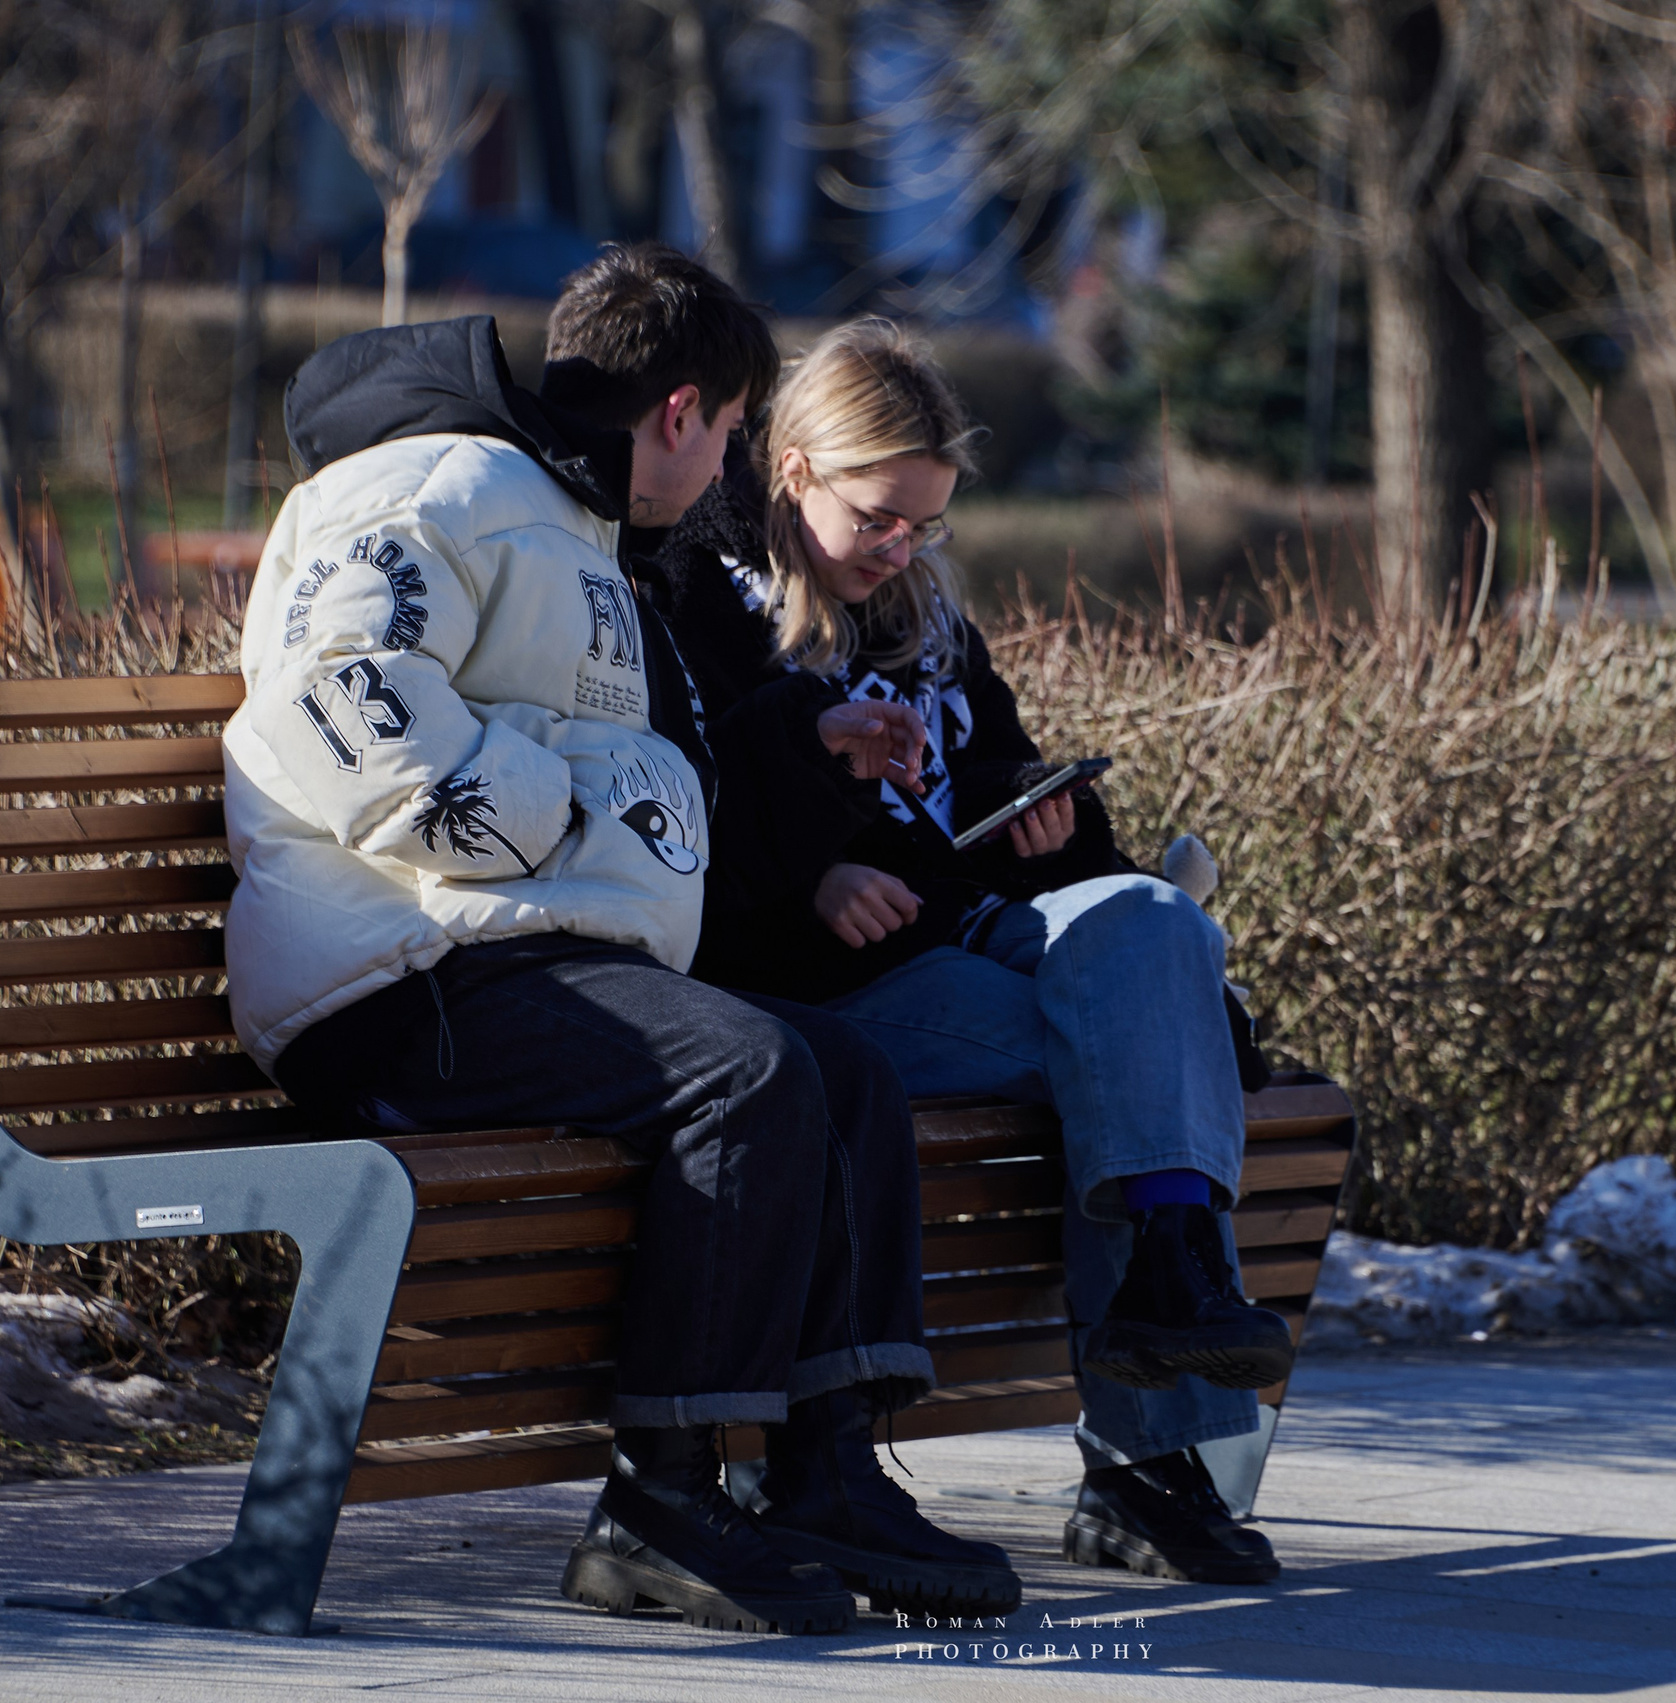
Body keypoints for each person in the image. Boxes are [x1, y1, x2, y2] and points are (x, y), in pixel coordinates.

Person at [221, 248, 1015, 1636]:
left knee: (841, 1069)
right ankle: (660, 1500)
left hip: (502, 959)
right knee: (751, 1071)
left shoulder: (579, 527)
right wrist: (554, 808)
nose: (726, 477)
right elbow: (340, 696)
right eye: (725, 439)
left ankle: (823, 1464)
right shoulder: (431, 487)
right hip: (394, 978)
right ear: (682, 408)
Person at [641, 319, 1293, 1586]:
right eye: (880, 517)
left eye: (926, 525)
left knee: (1157, 920)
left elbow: (980, 782)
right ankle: (1149, 1466)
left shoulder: (918, 616)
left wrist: (1039, 810)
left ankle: (1172, 1274)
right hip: (824, 989)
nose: (900, 549)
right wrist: (817, 871)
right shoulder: (701, 602)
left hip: (971, 938)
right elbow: (677, 806)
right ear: (793, 470)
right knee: (1146, 1053)